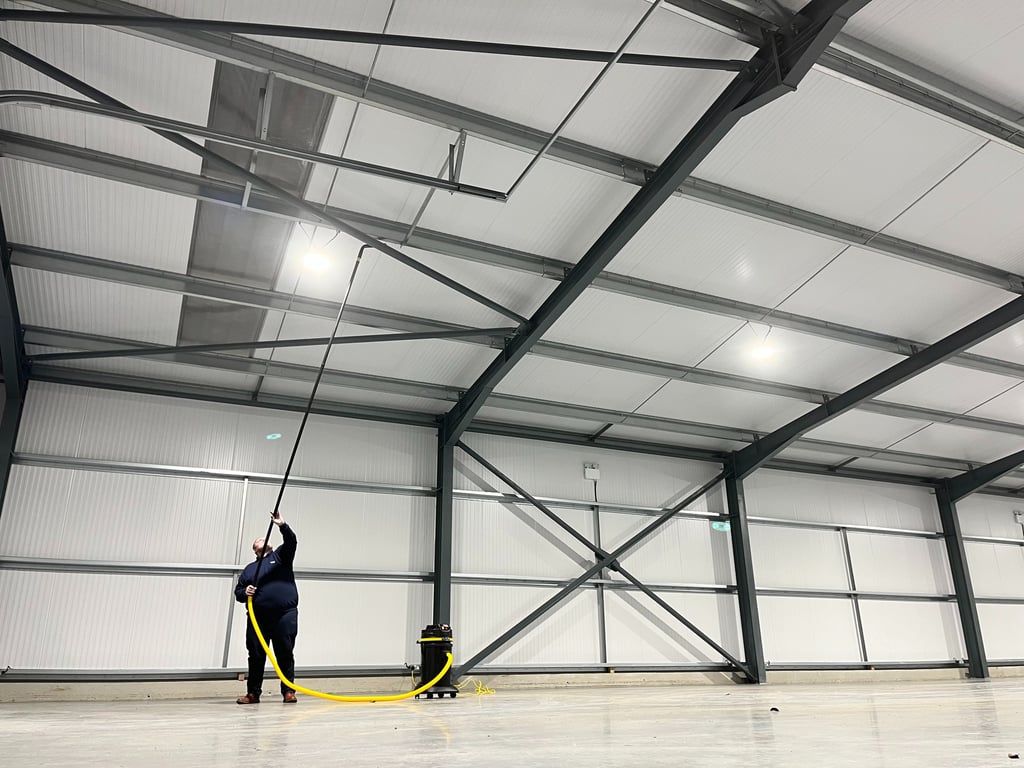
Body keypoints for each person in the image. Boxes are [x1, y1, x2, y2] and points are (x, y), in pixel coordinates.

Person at [234, 513, 299, 704]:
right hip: (258, 618)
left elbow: (291, 541)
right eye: (258, 541)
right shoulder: (249, 569)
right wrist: (245, 591)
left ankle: (289, 691)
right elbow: (238, 593)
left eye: (265, 539)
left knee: (285, 653)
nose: (262, 540)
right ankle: (253, 693)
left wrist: (282, 525)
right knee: (255, 655)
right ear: (255, 550)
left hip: (284, 616)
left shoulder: (281, 558)